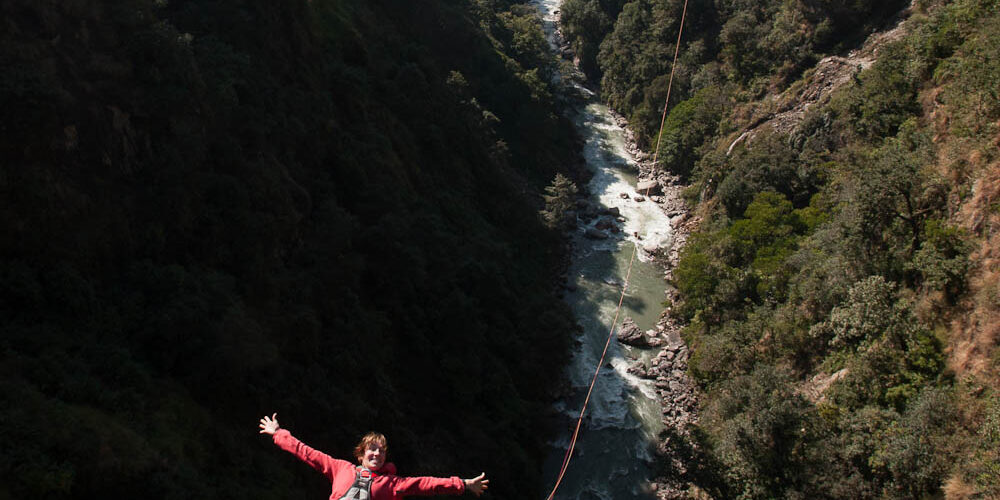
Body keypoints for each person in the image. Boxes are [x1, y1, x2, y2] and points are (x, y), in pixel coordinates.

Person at [259, 413, 489, 499]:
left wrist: (464, 484)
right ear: (361, 453)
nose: (377, 453)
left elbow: (427, 485)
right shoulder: (340, 468)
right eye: (372, 449)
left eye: (381, 450)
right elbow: (307, 453)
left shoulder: (392, 484)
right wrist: (278, 434)